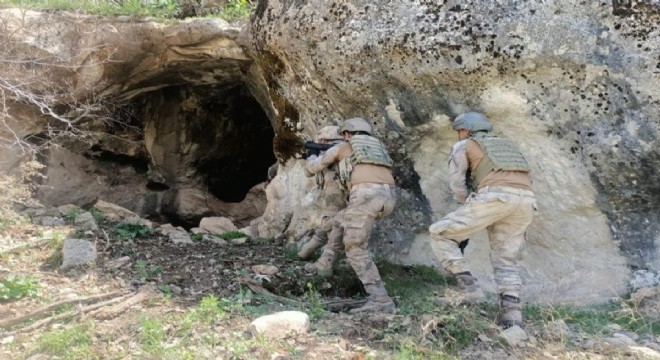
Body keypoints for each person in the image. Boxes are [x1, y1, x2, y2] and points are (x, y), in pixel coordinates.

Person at [429, 112, 535, 328]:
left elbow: (457, 183)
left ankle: (470, 290)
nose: (459, 135)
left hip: (494, 196)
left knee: (440, 233)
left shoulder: (465, 145)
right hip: (526, 200)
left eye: (460, 130)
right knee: (506, 258)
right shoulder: (507, 146)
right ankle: (512, 314)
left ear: (467, 130)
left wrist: (467, 203)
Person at [304, 117, 398, 313]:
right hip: (388, 196)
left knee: (355, 247)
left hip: (365, 195)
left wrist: (311, 155)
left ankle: (379, 298)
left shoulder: (344, 147)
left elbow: (312, 169)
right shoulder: (377, 147)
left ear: (347, 134)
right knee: (339, 222)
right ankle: (323, 263)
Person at [297, 126, 347, 259]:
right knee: (329, 224)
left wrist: (312, 155)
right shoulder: (345, 148)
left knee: (332, 223)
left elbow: (310, 169)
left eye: (322, 141)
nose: (321, 143)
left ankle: (326, 261)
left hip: (336, 191)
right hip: (348, 191)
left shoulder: (335, 150)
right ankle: (306, 251)